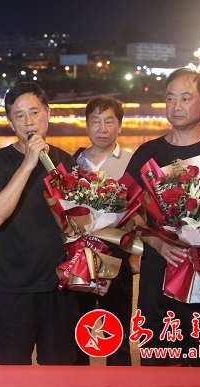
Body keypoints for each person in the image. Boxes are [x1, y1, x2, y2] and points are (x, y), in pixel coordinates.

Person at [125, 68, 200, 367]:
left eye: (185, 98)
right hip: (159, 281)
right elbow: (129, 214)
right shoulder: (147, 154)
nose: (176, 106)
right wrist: (156, 242)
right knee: (161, 374)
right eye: (170, 99)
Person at [0, 82, 87, 365]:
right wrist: (29, 163)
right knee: (10, 373)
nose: (28, 121)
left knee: (59, 373)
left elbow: (80, 223)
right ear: (10, 122)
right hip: (12, 288)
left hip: (59, 287)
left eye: (34, 112)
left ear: (47, 113)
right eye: (19, 115)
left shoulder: (66, 161)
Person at [72, 97, 134, 366]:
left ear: (120, 125)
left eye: (109, 121)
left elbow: (143, 213)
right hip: (78, 256)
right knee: (79, 331)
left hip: (117, 254)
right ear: (86, 125)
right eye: (95, 121)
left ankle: (120, 385)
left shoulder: (132, 162)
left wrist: (136, 255)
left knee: (117, 332)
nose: (102, 128)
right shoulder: (73, 163)